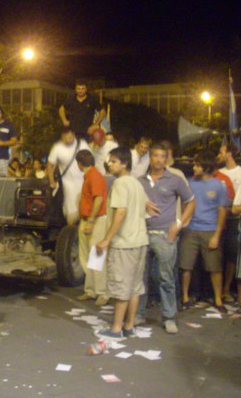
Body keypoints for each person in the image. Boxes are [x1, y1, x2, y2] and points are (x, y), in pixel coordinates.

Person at [136, 143, 195, 334]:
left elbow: (191, 201)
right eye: (155, 156)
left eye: (163, 156)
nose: (159, 160)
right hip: (142, 234)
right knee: (141, 278)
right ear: (150, 158)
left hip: (164, 235)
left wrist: (179, 223)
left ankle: (169, 317)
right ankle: (138, 314)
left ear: (166, 158)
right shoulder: (140, 180)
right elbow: (130, 201)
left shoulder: (175, 180)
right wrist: (142, 202)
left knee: (166, 278)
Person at [95, 147, 149, 341]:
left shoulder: (120, 184)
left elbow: (120, 212)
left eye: (114, 161)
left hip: (124, 242)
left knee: (122, 287)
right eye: (110, 161)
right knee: (135, 286)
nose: (110, 164)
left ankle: (116, 328)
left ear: (125, 163)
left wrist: (106, 239)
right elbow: (145, 207)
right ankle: (129, 325)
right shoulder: (137, 184)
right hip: (141, 241)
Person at [179, 151, 228, 314]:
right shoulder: (190, 183)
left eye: (197, 164)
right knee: (186, 265)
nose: (194, 167)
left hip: (210, 229)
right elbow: (185, 205)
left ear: (205, 167)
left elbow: (222, 211)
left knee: (215, 267)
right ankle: (185, 297)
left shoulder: (219, 185)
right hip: (191, 229)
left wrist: (217, 235)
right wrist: (182, 224)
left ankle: (218, 299)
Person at [75, 149, 109, 306]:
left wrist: (90, 221)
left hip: (94, 220)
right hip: (89, 219)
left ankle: (102, 292)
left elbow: (98, 199)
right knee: (89, 256)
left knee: (96, 256)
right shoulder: (91, 175)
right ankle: (91, 290)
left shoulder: (94, 176)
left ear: (79, 163)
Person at [47, 127, 90, 225]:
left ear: (74, 135)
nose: (67, 140)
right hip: (68, 184)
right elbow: (50, 164)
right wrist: (51, 181)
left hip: (83, 182)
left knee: (85, 210)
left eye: (70, 137)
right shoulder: (57, 147)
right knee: (71, 214)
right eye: (65, 138)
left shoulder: (82, 144)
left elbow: (90, 161)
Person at [216, 143, 241, 303]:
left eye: (221, 152)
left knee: (232, 256)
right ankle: (218, 290)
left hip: (234, 219)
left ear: (229, 154)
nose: (219, 155)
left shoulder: (239, 172)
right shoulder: (219, 173)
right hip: (220, 218)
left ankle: (226, 289)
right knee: (218, 254)